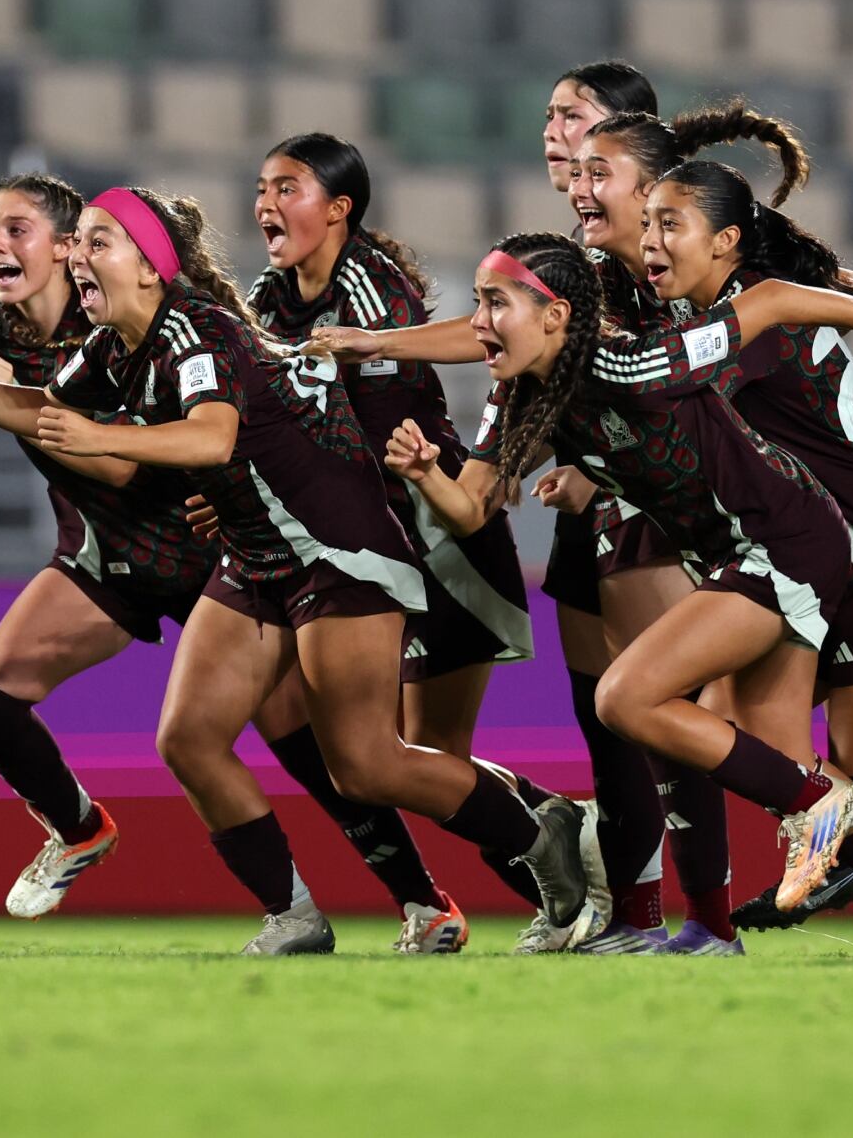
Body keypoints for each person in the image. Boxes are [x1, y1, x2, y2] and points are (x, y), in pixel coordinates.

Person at [0, 188, 595, 954]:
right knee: (189, 738)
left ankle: (544, 832)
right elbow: (42, 409)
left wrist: (104, 438)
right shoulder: (113, 347)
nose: (76, 257)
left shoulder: (196, 329)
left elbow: (210, 437)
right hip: (256, 556)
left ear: (148, 266)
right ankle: (293, 916)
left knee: (366, 765)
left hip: (337, 551)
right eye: (79, 244)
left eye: (96, 243)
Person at [380, 230, 853, 957]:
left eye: (496, 302)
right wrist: (426, 474)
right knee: (766, 752)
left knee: (628, 699)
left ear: (555, 316)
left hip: (784, 538)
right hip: (742, 551)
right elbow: (470, 507)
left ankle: (821, 813)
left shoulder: (638, 359)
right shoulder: (525, 394)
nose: (479, 320)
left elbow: (769, 300)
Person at [239, 132, 609, 949]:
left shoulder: (373, 293)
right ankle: (569, 861)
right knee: (408, 760)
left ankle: (578, 881)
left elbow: (449, 363)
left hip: (436, 542)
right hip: (361, 553)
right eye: (262, 186)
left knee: (423, 758)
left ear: (339, 208)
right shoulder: (270, 297)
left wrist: (372, 348)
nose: (265, 201)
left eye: (287, 186)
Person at [0, 173, 215, 919]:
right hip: (104, 554)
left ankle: (421, 891)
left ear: (68, 247)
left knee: (317, 741)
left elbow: (122, 460)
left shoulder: (116, 321)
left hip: (205, 544)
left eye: (16, 229)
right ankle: (79, 831)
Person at [639, 155, 853, 943]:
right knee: (788, 749)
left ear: (727, 239)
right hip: (847, 555)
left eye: (670, 223)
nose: (651, 241)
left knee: (840, 767)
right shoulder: (755, 303)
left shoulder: (749, 320)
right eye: (648, 224)